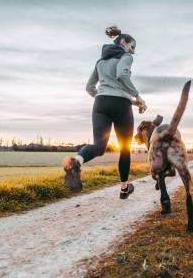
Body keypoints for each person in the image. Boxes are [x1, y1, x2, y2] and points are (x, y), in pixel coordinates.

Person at [62, 25, 146, 198]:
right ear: (123, 42)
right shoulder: (126, 56)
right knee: (124, 148)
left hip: (100, 104)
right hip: (121, 106)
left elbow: (89, 87)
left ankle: (76, 161)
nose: (133, 51)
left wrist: (104, 97)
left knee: (99, 147)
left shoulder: (100, 61)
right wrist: (138, 97)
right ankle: (124, 188)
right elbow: (122, 75)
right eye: (132, 46)